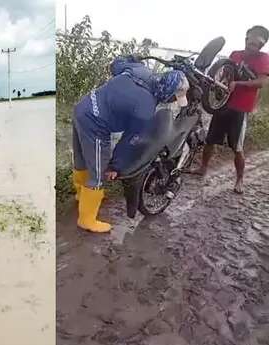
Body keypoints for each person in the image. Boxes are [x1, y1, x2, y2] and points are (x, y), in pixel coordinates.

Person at [71, 58, 189, 233]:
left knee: (81, 159)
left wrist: (130, 60)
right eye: (173, 97)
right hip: (95, 123)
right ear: (167, 92)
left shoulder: (140, 70)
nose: (173, 101)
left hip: (82, 107)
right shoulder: (145, 108)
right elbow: (129, 141)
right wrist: (115, 167)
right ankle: (86, 219)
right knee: (98, 171)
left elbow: (117, 64)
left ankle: (81, 194)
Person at [194, 25, 269, 194]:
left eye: (257, 43)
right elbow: (223, 73)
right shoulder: (235, 55)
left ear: (262, 44)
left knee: (237, 147)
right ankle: (203, 168)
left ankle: (239, 180)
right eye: (250, 41)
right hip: (223, 105)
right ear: (246, 39)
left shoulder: (264, 59)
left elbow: (262, 82)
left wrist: (239, 84)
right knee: (210, 140)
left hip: (241, 109)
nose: (252, 45)